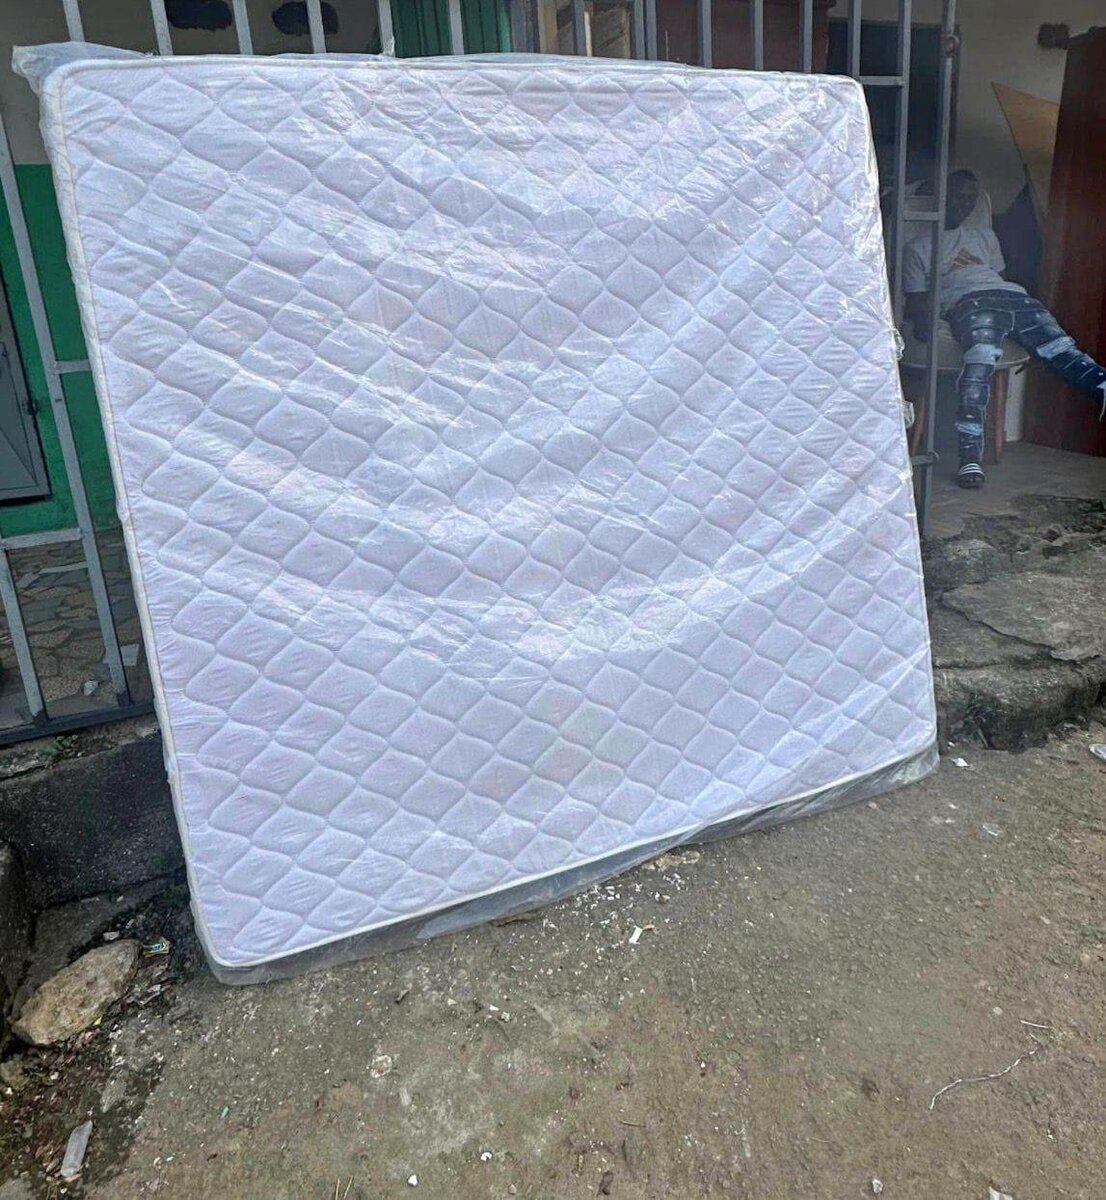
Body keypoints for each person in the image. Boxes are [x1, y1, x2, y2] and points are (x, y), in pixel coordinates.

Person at [903, 169, 1106, 489]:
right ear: (941, 197)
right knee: (979, 364)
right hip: (970, 303)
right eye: (957, 196)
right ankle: (970, 457)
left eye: (970, 198)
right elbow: (916, 303)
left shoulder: (984, 236)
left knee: (1062, 350)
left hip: (1016, 299)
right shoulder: (918, 247)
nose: (963, 204)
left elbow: (999, 277)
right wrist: (924, 325)